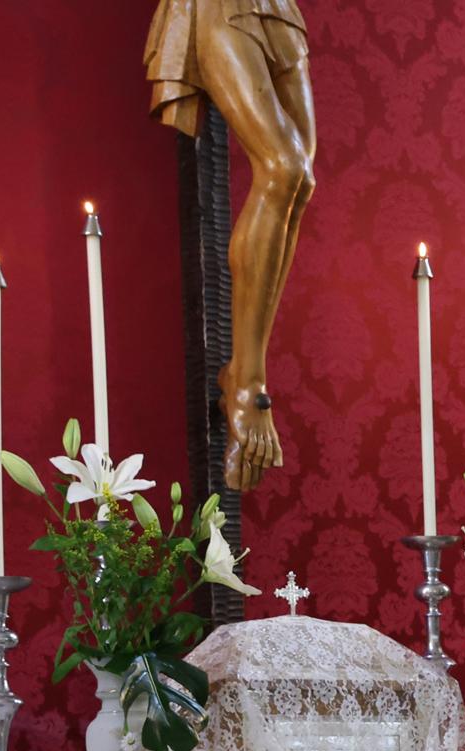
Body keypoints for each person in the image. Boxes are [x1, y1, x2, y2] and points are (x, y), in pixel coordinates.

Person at [145, 0, 317, 491]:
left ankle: (242, 374)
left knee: (301, 184)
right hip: (216, 6)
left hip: (279, 9)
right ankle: (247, 387)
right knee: (282, 167)